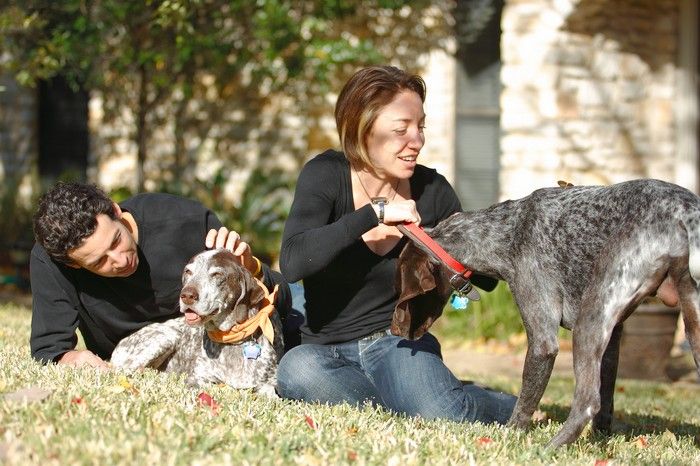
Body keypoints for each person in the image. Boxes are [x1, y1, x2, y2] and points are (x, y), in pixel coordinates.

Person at [277, 65, 516, 424]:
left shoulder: (433, 191)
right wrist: (374, 213)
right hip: (324, 350)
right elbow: (295, 261)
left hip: (396, 342)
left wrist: (460, 245)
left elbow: (485, 280)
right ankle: (411, 401)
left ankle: (509, 406)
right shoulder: (325, 174)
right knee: (297, 371)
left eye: (420, 127)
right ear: (363, 128)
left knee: (444, 415)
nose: (416, 141)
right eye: (401, 130)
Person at [30, 181, 291, 368]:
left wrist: (250, 267)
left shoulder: (184, 222)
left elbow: (281, 296)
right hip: (136, 357)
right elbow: (49, 349)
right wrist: (74, 359)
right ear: (74, 265)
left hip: (219, 345)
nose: (120, 260)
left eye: (116, 241)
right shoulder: (52, 262)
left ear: (116, 211)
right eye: (99, 262)